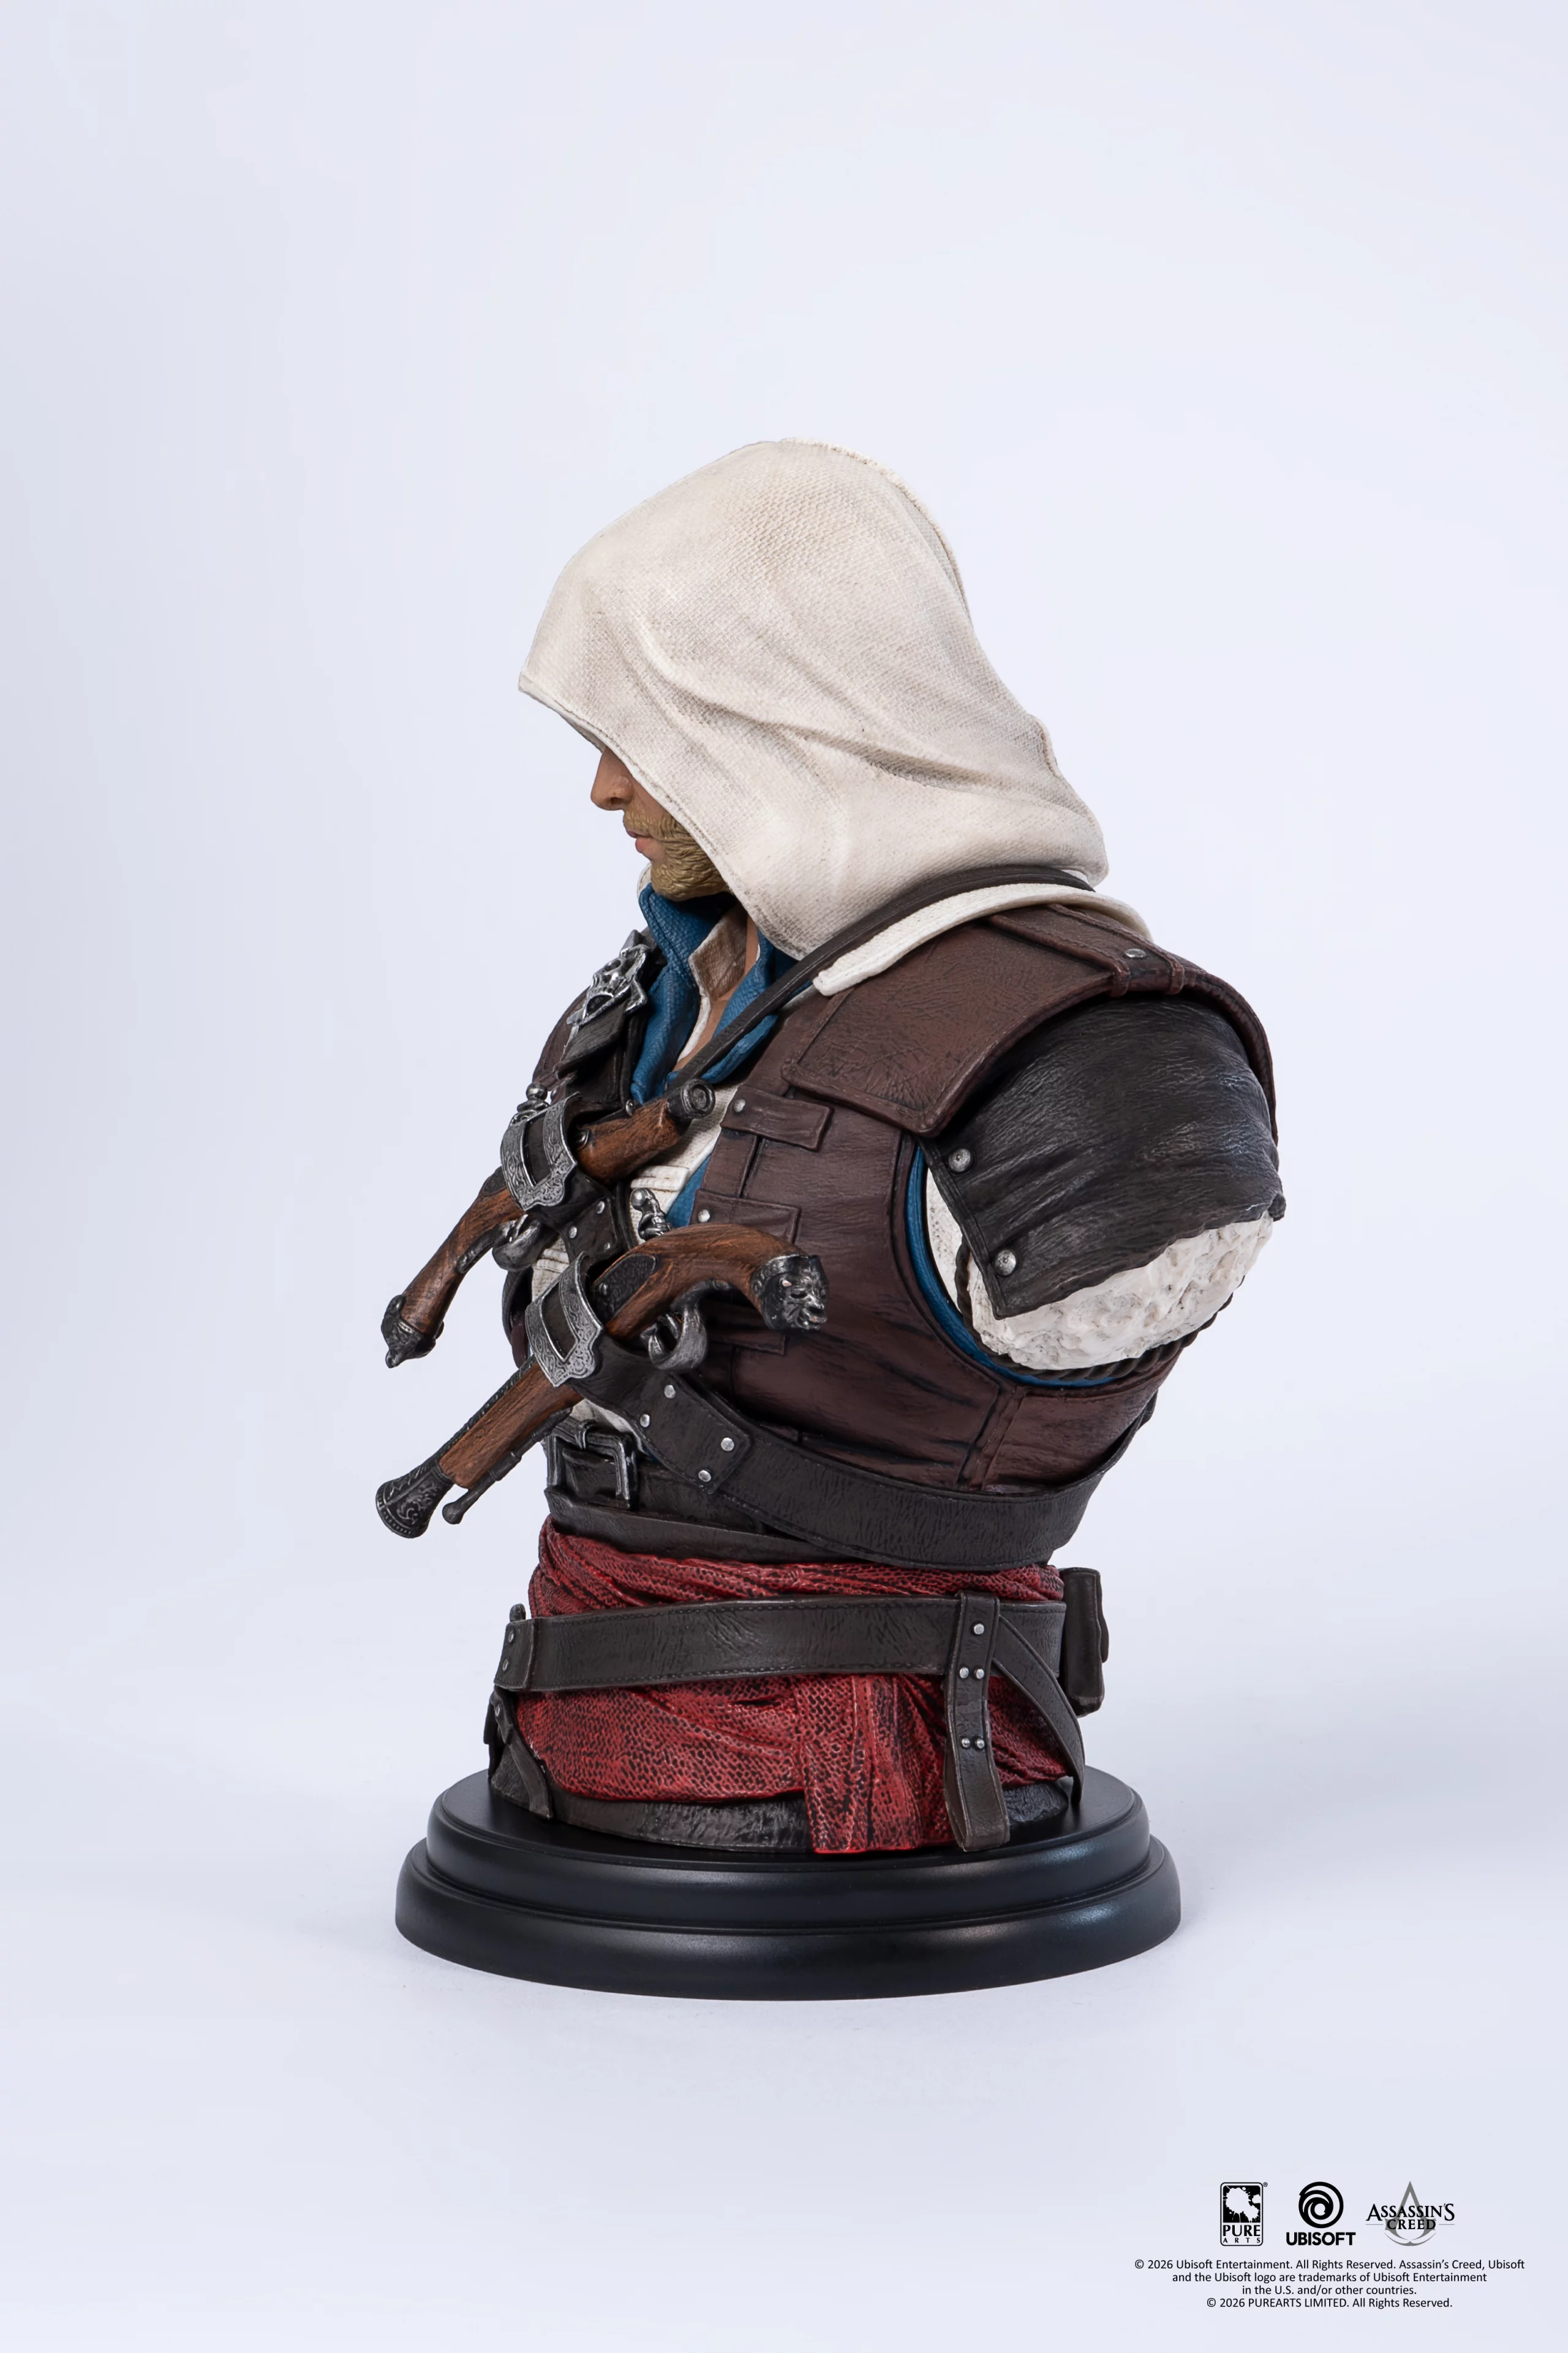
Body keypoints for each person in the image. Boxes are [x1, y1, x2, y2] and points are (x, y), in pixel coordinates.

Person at [484, 439, 1282, 1857]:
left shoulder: (1087, 1061)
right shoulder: (681, 988)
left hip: (886, 1778)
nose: (603, 788)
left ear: (779, 716)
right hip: (582, 1759)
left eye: (641, 736)